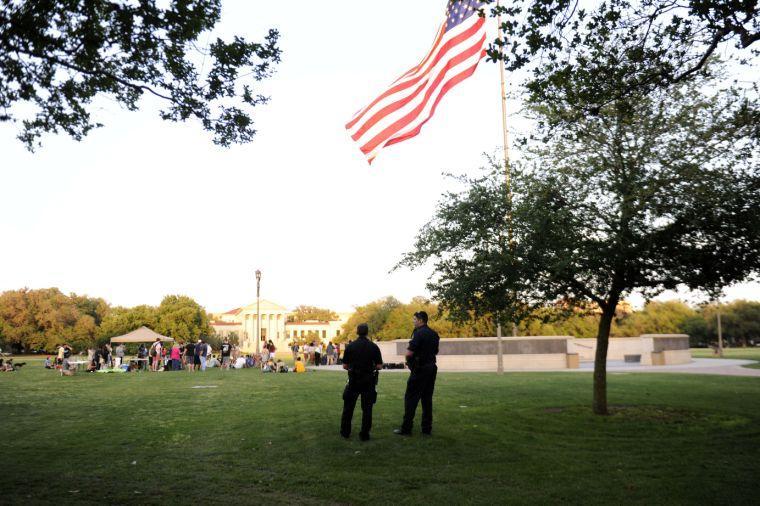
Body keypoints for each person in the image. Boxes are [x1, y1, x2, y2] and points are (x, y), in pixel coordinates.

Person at [394, 311, 440, 437]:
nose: (413, 321)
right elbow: (435, 351)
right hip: (431, 368)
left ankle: (406, 428)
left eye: (414, 319)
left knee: (411, 398)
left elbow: (409, 353)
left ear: (420, 320)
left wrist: (410, 363)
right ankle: (426, 429)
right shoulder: (434, 334)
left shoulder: (418, 333)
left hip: (420, 369)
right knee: (427, 398)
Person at [341, 323, 383, 441]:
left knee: (348, 407)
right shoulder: (373, 347)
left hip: (354, 380)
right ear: (367, 332)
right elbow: (379, 366)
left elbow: (345, 366)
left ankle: (345, 432)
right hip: (368, 381)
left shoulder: (350, 346)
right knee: (367, 409)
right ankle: (364, 434)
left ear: (357, 332)